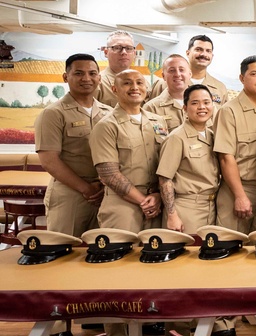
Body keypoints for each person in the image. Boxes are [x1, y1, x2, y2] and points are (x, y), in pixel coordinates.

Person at [33, 53, 112, 336]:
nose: (86, 78)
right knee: (60, 260)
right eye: (79, 73)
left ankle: (92, 319)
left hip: (103, 195)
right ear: (65, 77)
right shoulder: (53, 113)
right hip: (69, 195)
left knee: (98, 258)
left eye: (92, 73)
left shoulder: (106, 111)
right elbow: (49, 160)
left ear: (99, 77)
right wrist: (85, 188)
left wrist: (103, 188)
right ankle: (53, 327)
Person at [89, 69, 168, 336]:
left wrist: (156, 196)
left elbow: (165, 165)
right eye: (127, 83)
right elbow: (108, 173)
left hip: (155, 202)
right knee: (118, 271)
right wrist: (143, 200)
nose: (134, 87)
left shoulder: (158, 121)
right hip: (122, 206)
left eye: (139, 83)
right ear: (114, 88)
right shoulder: (106, 125)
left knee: (153, 268)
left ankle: (148, 325)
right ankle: (117, 330)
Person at [214, 55, 256, 234]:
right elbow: (226, 158)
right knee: (231, 247)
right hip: (239, 190)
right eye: (254, 74)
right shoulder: (229, 111)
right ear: (242, 78)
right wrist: (240, 196)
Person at [157, 84, 218, 234]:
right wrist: (172, 215)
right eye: (195, 103)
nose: (201, 107)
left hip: (211, 206)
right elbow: (165, 179)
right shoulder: (177, 138)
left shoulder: (212, 135)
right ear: (185, 108)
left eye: (206, 102)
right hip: (186, 208)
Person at [94, 30, 163, 107]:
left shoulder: (143, 82)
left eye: (128, 48)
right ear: (106, 52)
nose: (124, 52)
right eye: (117, 48)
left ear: (134, 53)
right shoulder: (98, 84)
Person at [143, 54, 191, 131]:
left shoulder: (206, 104)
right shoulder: (151, 108)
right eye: (172, 70)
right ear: (163, 76)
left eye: (181, 70)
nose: (177, 74)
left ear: (190, 74)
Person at [185, 35, 228, 106]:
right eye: (198, 49)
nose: (203, 54)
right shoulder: (171, 84)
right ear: (188, 53)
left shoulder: (220, 88)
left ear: (212, 56)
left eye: (208, 51)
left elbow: (223, 116)